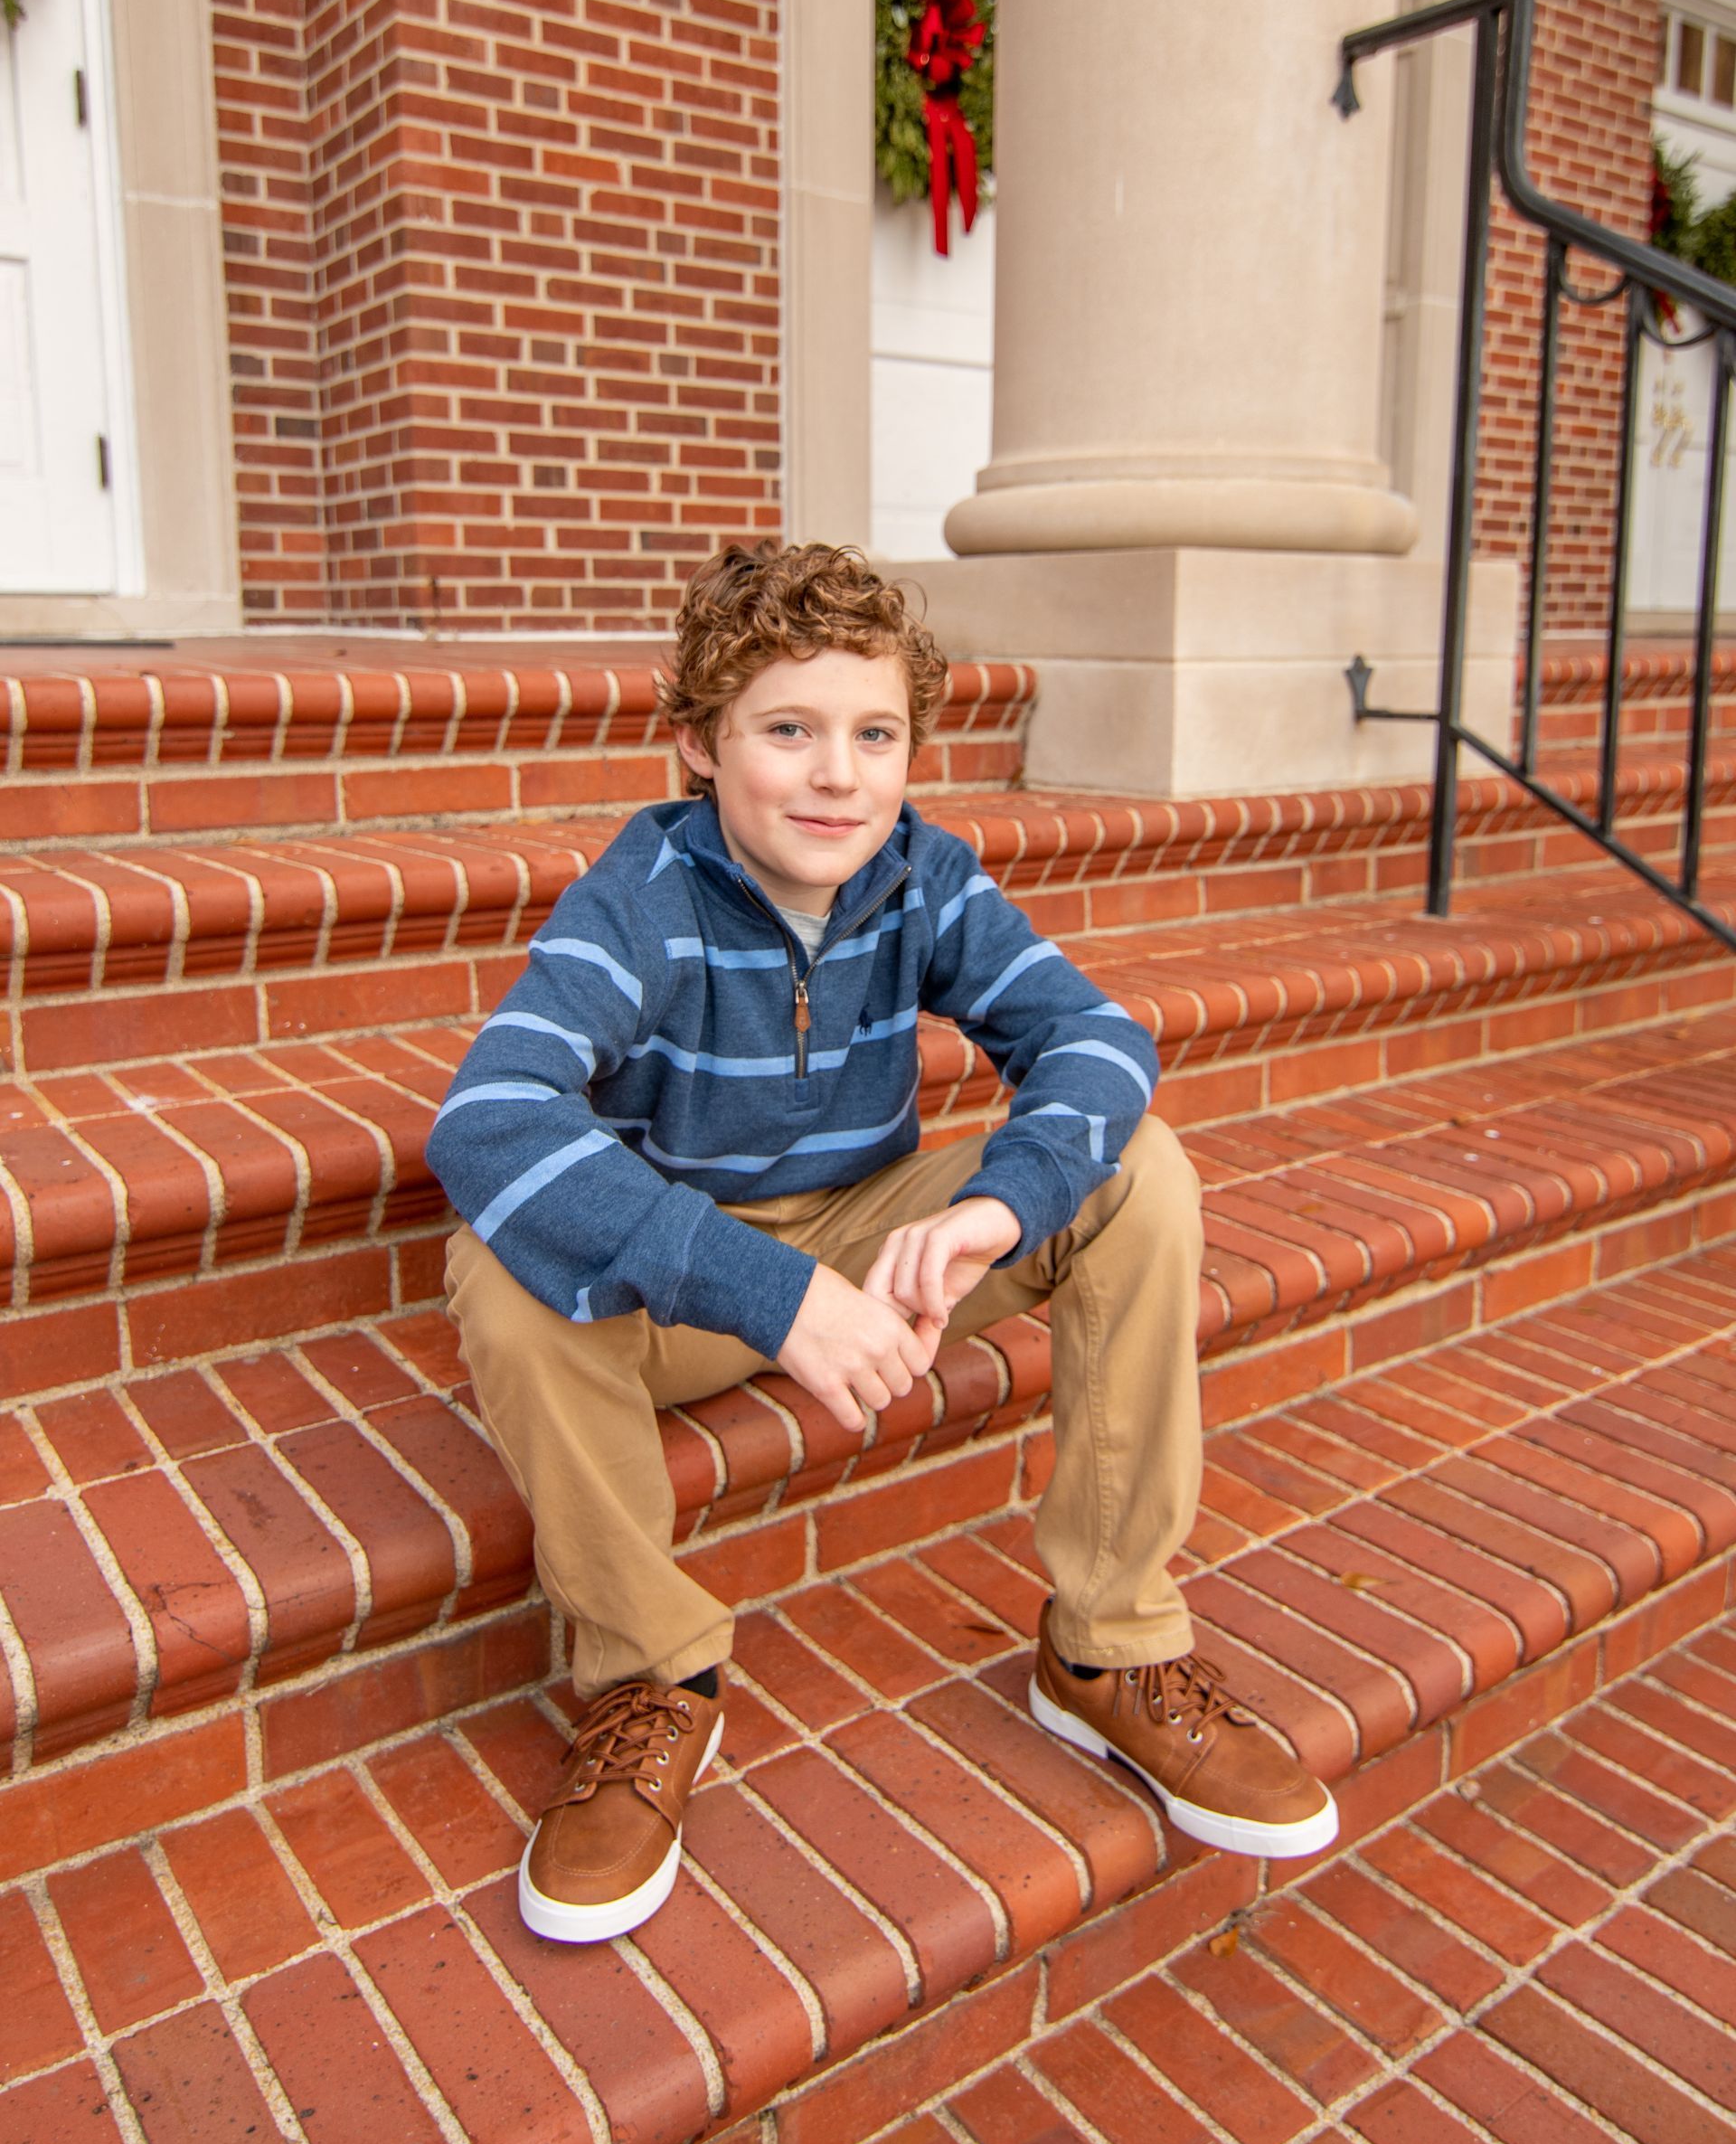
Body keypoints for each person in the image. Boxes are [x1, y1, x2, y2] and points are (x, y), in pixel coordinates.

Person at [431, 542, 1336, 1945]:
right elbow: (488, 1117)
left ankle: (1109, 1648)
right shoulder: (644, 897)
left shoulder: (924, 877)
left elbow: (1095, 1038)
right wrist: (770, 1292)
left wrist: (992, 1208)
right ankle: (647, 1678)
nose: (837, 776)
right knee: (501, 1264)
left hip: (873, 1241)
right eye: (786, 731)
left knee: (1134, 1173)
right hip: (682, 1285)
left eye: (875, 735)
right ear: (699, 746)